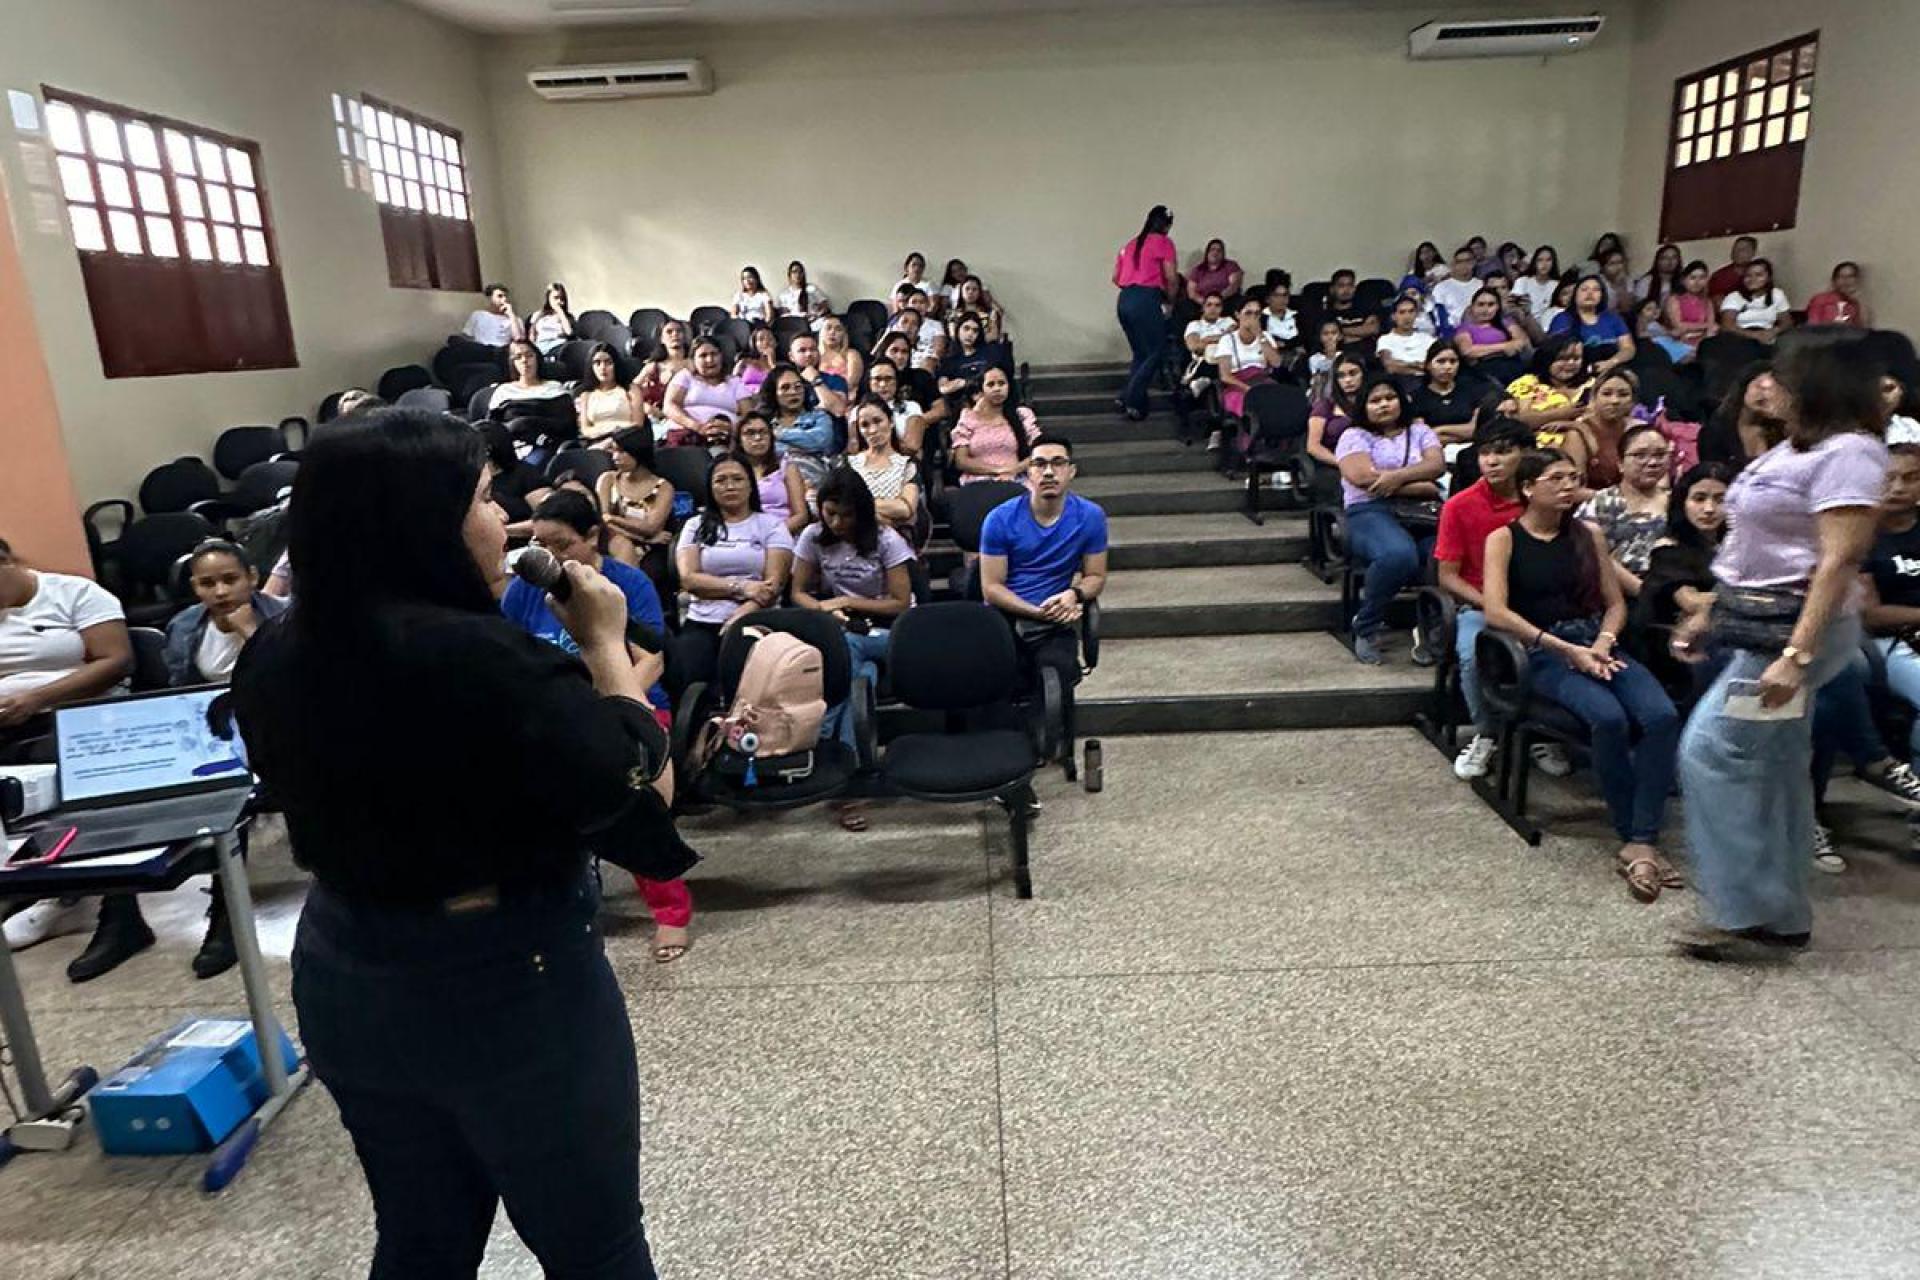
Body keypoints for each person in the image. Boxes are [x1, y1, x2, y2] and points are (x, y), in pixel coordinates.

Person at [229, 409, 686, 1275]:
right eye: (483, 497)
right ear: (423, 522)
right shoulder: (491, 663)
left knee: (422, 1235)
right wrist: (604, 643)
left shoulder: (276, 651)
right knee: (595, 1245)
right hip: (506, 980)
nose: (503, 522)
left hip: (346, 967)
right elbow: (644, 797)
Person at [1672, 330, 1890, 959]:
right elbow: (1753, 553)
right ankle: (1782, 912)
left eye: (1784, 378)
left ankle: (1743, 912)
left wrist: (1796, 657)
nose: (1770, 387)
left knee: (1713, 754)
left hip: (1796, 634)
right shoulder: (1798, 448)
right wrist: (1712, 612)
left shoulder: (1851, 453)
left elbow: (1838, 561)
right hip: (1761, 626)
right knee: (1774, 765)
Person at [501, 489, 691, 965]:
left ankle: (671, 912)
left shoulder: (626, 584)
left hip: (631, 699)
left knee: (635, 789)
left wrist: (611, 698)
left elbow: (653, 659)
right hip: (557, 709)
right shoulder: (526, 588)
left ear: (592, 538)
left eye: (563, 545)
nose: (552, 556)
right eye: (542, 544)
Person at [1482, 449, 1681, 899]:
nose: (1569, 485)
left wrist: (1602, 643)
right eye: (1556, 478)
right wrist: (1564, 649)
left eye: (1573, 477)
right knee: (1607, 718)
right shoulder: (1505, 538)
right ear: (1529, 487)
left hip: (1596, 640)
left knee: (1660, 715)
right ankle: (1636, 836)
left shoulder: (1588, 533)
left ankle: (1640, 840)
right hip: (1544, 647)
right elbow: (1496, 610)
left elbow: (1614, 604)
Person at [0, 538, 137, 967]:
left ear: (6, 561)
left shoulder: (74, 594)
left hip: (81, 718)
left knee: (70, 771)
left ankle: (122, 916)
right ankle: (32, 887)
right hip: (10, 724)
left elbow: (116, 660)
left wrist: (35, 699)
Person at [791, 468, 912, 831]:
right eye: (830, 513)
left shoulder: (886, 539)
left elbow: (901, 603)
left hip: (891, 632)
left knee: (850, 656)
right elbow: (798, 592)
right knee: (863, 679)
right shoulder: (813, 536)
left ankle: (825, 749)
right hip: (842, 627)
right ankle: (852, 776)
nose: (838, 522)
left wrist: (846, 600)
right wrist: (823, 610)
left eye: (846, 514)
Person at [979, 436, 1108, 725]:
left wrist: (1074, 594)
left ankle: (1051, 747)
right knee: (994, 671)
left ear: (1071, 471)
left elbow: (1096, 576)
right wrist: (1033, 611)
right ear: (1028, 473)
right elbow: (991, 587)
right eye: (1039, 464)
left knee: (1059, 670)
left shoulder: (1090, 516)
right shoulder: (999, 519)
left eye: (1058, 463)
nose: (1048, 471)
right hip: (1006, 615)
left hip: (1055, 619)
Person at [1436, 416, 1534, 780]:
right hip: (1478, 604)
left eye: (1503, 453)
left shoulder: (1539, 499)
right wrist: (1490, 603)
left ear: (1525, 455)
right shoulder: (1459, 506)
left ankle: (1539, 733)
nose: (1492, 461)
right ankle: (1486, 733)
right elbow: (1447, 576)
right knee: (1471, 654)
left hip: (1538, 603)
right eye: (1485, 453)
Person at [1335, 375, 1445, 664]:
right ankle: (1366, 625)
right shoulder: (1354, 435)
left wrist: (1395, 478)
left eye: (1389, 398)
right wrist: (1422, 483)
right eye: (1375, 400)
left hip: (1420, 512)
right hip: (1368, 511)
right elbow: (1361, 478)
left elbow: (1436, 465)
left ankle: (1431, 630)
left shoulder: (1420, 431)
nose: (1383, 404)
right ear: (1364, 406)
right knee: (1398, 554)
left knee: (1442, 555)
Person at [672, 455, 794, 693]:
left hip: (757, 616)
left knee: (742, 674)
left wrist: (741, 614)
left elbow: (773, 585)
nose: (729, 486)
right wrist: (743, 587)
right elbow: (689, 579)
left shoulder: (772, 525)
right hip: (702, 619)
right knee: (687, 673)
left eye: (737, 479)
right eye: (721, 480)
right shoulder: (695, 525)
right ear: (710, 487)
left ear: (751, 484)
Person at [1630, 461, 1732, 693]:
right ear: (1682, 502)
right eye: (1699, 498)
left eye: (1720, 500)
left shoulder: (1736, 544)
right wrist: (1747, 597)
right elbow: (1693, 603)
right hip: (1669, 646)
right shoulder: (1668, 549)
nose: (1709, 508)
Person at [1578, 421, 1670, 597]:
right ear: (1620, 463)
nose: (1652, 462)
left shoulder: (1677, 502)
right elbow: (1592, 558)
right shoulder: (1601, 503)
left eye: (1660, 455)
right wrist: (1643, 592)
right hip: (1613, 595)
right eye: (1640, 455)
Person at [596, 428, 679, 603]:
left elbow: (651, 527)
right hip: (609, 543)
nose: (615, 457)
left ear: (638, 451)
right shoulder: (608, 480)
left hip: (650, 552)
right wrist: (645, 537)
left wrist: (613, 518)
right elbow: (601, 522)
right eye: (614, 450)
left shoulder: (663, 487)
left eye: (622, 451)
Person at [759, 363, 840, 505]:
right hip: (776, 481)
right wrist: (803, 445)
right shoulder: (765, 423)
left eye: (798, 386)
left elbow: (821, 440)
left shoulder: (819, 416)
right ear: (774, 393)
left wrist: (780, 435)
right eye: (785, 388)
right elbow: (761, 451)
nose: (793, 392)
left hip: (814, 479)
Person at [1559, 367, 1639, 496]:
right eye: (1606, 394)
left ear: (1633, 401)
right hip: (1592, 507)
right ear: (1594, 398)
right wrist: (1616, 500)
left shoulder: (1638, 430)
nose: (1615, 401)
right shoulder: (1577, 434)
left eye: (1623, 395)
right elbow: (1573, 490)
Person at [952, 367, 1041, 484]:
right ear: (982, 389)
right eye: (991, 384)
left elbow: (1038, 451)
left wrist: (1014, 470)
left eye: (1001, 383)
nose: (997, 389)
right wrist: (997, 471)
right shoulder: (968, 418)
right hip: (978, 481)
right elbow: (961, 461)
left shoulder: (1022, 415)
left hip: (1016, 478)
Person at [845, 395, 921, 531]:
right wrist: (884, 512)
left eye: (878, 421)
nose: (872, 430)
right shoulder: (850, 464)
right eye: (865, 425)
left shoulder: (907, 464)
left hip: (897, 541)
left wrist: (859, 506)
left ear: (891, 422)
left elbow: (905, 509)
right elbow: (841, 505)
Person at [662, 336, 751, 450]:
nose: (710, 359)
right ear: (693, 360)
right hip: (686, 434)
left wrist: (730, 427)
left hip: (726, 438)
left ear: (721, 357)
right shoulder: (685, 376)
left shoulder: (735, 382)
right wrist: (697, 426)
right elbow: (669, 406)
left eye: (714, 354)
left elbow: (749, 415)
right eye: (703, 356)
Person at [1507, 335, 1593, 445]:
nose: (1571, 363)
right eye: (1563, 359)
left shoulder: (1593, 385)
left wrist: (1569, 425)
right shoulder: (1527, 383)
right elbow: (1519, 421)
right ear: (1547, 359)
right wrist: (1560, 414)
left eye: (1576, 358)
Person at [489, 339, 573, 451]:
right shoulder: (503, 391)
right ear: (512, 363)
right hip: (510, 447)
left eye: (529, 355)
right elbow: (492, 428)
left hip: (547, 446)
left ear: (537, 358)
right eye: (518, 357)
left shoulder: (554, 388)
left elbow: (565, 425)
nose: (524, 360)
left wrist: (524, 423)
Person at [731, 413, 807, 535]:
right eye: (750, 433)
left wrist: (772, 534)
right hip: (742, 535)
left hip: (782, 533)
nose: (757, 438)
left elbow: (801, 516)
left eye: (763, 432)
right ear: (739, 440)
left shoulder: (787, 467)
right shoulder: (731, 470)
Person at [1209, 294, 1283, 419]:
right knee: (1250, 407)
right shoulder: (1228, 340)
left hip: (1263, 383)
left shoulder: (1265, 337)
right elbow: (1225, 376)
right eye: (1248, 313)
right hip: (1238, 386)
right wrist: (1247, 388)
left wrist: (1260, 336)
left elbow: (1276, 363)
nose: (1253, 318)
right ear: (1238, 315)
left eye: (1257, 314)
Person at [1699, 363, 1786, 467]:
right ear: (1744, 387)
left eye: (1773, 391)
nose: (1765, 395)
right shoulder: (1716, 430)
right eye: (1760, 387)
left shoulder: (1782, 431)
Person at [1548, 276, 1634, 372]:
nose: (1590, 293)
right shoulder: (1562, 319)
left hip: (1611, 370)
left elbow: (1628, 348)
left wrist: (1611, 363)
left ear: (1602, 295)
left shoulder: (1613, 318)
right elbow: (1556, 353)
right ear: (1575, 295)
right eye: (1584, 289)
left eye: (1596, 290)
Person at [1452, 287, 1528, 387]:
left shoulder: (1506, 322)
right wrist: (1505, 347)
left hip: (1512, 365)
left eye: (1491, 305)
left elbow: (1521, 341)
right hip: (1483, 370)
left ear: (1498, 307)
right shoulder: (1464, 328)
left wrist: (1483, 350)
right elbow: (1467, 351)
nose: (1485, 309)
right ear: (1472, 307)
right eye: (1481, 304)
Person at [1306, 352, 1368, 470]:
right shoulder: (1325, 406)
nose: (1348, 380)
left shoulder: (1373, 403)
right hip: (1334, 464)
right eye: (1341, 376)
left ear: (1363, 374)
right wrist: (1341, 463)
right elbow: (1313, 446)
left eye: (1353, 373)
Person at [1411, 343, 1479, 449]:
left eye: (1453, 361)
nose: (1448, 367)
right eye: (1441, 361)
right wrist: (1461, 435)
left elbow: (1475, 430)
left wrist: (1440, 429)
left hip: (1472, 449)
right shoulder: (1417, 397)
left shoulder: (1472, 391)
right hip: (1434, 451)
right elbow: (1422, 437)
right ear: (1428, 365)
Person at [631, 320, 693, 429]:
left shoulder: (693, 365)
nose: (675, 334)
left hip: (685, 419)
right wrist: (645, 407)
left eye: (678, 331)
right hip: (655, 421)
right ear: (661, 339)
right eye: (669, 332)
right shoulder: (653, 367)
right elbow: (630, 390)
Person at [1719, 258, 1794, 344]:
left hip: (1768, 336)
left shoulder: (1777, 294)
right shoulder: (1734, 297)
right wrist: (1755, 335)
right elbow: (1727, 326)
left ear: (1768, 278)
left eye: (1758, 275)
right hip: (1740, 337)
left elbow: (1787, 322)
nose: (1752, 279)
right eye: (1748, 275)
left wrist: (1773, 332)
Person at [867, 358, 929, 459]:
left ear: (896, 381)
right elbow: (854, 447)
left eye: (888, 379)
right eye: (877, 379)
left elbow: (912, 446)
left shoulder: (912, 407)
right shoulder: (858, 411)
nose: (883, 384)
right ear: (869, 382)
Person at [576, 342, 637, 441]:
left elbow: (637, 424)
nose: (603, 368)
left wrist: (615, 434)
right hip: (598, 442)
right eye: (597, 363)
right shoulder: (586, 395)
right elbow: (585, 429)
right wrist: (606, 433)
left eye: (608, 362)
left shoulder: (631, 390)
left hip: (627, 440)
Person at [1659, 260, 1717, 361]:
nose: (1697, 282)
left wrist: (1706, 331)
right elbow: (1679, 326)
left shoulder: (1707, 301)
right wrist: (1705, 326)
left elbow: (1712, 328)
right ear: (1683, 280)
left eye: (1702, 278)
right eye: (1693, 278)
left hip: (1702, 342)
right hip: (1678, 342)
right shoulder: (1674, 299)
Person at [938, 312, 1002, 397]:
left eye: (975, 331)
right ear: (958, 330)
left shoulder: (988, 352)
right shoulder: (949, 360)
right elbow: (943, 388)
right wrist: (965, 383)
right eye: (966, 328)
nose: (970, 334)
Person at [1375, 298, 1434, 383]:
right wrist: (1418, 367)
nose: (1407, 316)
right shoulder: (1385, 340)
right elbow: (1390, 367)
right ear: (1393, 316)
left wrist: (1403, 363)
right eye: (1402, 312)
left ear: (1416, 314)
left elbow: (1433, 366)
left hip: (1427, 381)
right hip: (1400, 381)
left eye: (1411, 311)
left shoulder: (1428, 339)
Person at [1430, 246, 1482, 334]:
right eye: (1459, 262)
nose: (1464, 265)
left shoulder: (1481, 284)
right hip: (1453, 331)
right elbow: (1438, 316)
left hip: (1480, 328)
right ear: (1454, 264)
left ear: (1474, 262)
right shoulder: (1441, 287)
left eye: (1468, 261)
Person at [1806, 262, 1871, 329]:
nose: (1845, 281)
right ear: (1834, 280)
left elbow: (1864, 328)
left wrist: (1860, 301)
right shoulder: (1820, 299)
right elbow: (1812, 326)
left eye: (1850, 276)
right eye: (1841, 277)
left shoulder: (1856, 304)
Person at [1326, 268, 1380, 349]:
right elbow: (1330, 338)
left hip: (1368, 353)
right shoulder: (1327, 313)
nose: (1346, 290)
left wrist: (1341, 330)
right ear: (1332, 289)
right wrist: (1362, 334)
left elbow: (1373, 329)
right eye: (1341, 286)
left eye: (1350, 285)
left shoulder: (1365, 308)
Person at [461, 282, 522, 346]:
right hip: (480, 350)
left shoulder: (515, 319)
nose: (504, 299)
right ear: (489, 298)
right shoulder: (478, 315)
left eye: (506, 296)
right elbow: (466, 336)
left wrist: (511, 315)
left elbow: (518, 338)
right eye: (500, 296)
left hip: (501, 351)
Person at [1186, 238, 1243, 304]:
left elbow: (1234, 285)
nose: (1215, 253)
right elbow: (1191, 292)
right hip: (1202, 303)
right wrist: (1205, 302)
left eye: (1219, 250)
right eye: (1212, 249)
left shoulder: (1230, 265)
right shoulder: (1198, 269)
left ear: (1223, 254)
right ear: (1207, 253)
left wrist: (1218, 299)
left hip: (1225, 300)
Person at [526, 282, 575, 353]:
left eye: (562, 299)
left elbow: (569, 332)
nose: (559, 301)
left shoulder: (566, 316)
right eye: (556, 298)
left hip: (558, 346)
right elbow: (532, 334)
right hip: (540, 346)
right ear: (548, 298)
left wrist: (560, 311)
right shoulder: (538, 315)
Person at [734, 321, 780, 397]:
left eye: (770, 339)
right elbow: (732, 384)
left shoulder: (781, 366)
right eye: (761, 339)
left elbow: (780, 384)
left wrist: (771, 362)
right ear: (754, 344)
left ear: (776, 343)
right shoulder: (744, 362)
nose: (766, 342)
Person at [955, 276, 1006, 342]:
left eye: (974, 289)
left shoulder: (989, 313)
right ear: (961, 291)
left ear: (979, 292)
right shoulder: (953, 314)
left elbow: (993, 335)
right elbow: (954, 335)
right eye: (967, 289)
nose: (970, 292)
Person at [1633, 243, 1684, 309]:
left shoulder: (1683, 281)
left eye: (1674, 257)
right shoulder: (1646, 281)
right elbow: (1639, 308)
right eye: (1665, 258)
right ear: (1658, 261)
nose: (1670, 261)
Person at [1707, 235, 1758, 300]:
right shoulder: (1719, 276)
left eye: (1743, 250)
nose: (1737, 252)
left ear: (1753, 253)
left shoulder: (1759, 274)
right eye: (1735, 249)